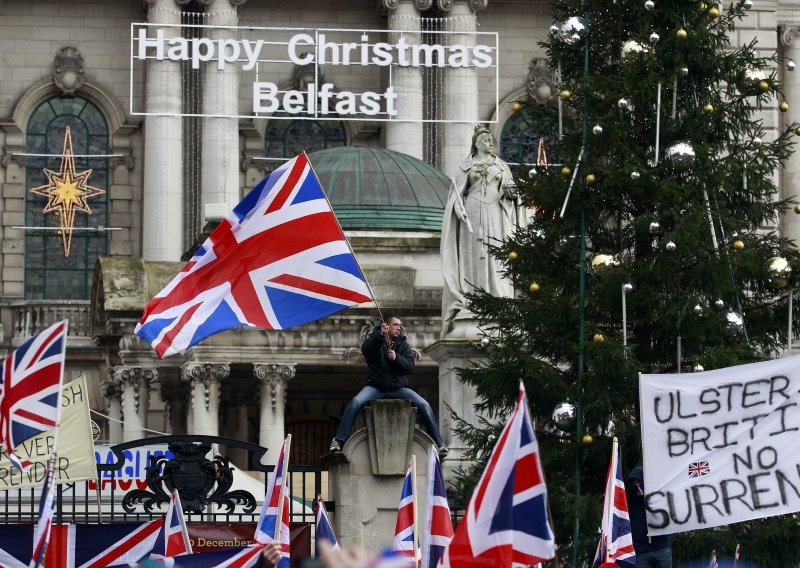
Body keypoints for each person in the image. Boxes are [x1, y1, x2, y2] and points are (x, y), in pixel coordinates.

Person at [440, 125, 528, 336]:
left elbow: (514, 193)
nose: (490, 142)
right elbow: (456, 195)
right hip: (472, 213)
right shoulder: (465, 166)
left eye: (491, 140)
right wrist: (457, 211)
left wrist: (512, 193)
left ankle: (499, 298)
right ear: (477, 143)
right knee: (474, 257)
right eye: (486, 140)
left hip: (497, 213)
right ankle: (474, 297)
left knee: (497, 254)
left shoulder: (502, 166)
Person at [329, 312, 447, 456]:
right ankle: (338, 440)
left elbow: (410, 366)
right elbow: (367, 351)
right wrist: (379, 336)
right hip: (376, 386)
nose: (398, 328)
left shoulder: (402, 343)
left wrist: (397, 358)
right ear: (387, 325)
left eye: (399, 325)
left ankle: (439, 443)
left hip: (399, 388)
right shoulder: (375, 339)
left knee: (424, 405)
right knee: (355, 402)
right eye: (395, 325)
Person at [627, 466, 672, 567]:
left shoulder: (659, 497)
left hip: (661, 547)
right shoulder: (629, 501)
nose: (638, 485)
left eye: (641, 481)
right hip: (641, 551)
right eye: (636, 482)